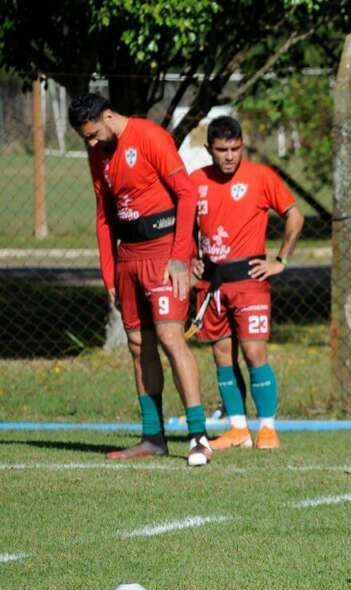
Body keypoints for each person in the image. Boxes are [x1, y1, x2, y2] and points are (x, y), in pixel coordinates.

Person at [70, 94, 213, 467]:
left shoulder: (150, 137)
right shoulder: (97, 152)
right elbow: (105, 216)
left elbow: (186, 194)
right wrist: (110, 275)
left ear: (109, 115)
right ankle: (153, 437)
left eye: (94, 133)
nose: (91, 143)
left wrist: (181, 256)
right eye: (85, 138)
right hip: (128, 258)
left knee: (169, 337)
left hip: (164, 252)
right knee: (137, 344)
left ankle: (199, 437)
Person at [190, 116, 304, 450]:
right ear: (209, 149)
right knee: (222, 355)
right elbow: (184, 225)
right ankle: (238, 429)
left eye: (235, 149)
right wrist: (189, 257)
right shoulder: (196, 181)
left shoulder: (261, 177)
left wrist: (280, 260)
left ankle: (267, 428)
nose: (229, 156)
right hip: (211, 284)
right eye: (222, 150)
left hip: (250, 280)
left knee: (254, 352)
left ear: (243, 146)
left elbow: (295, 216)